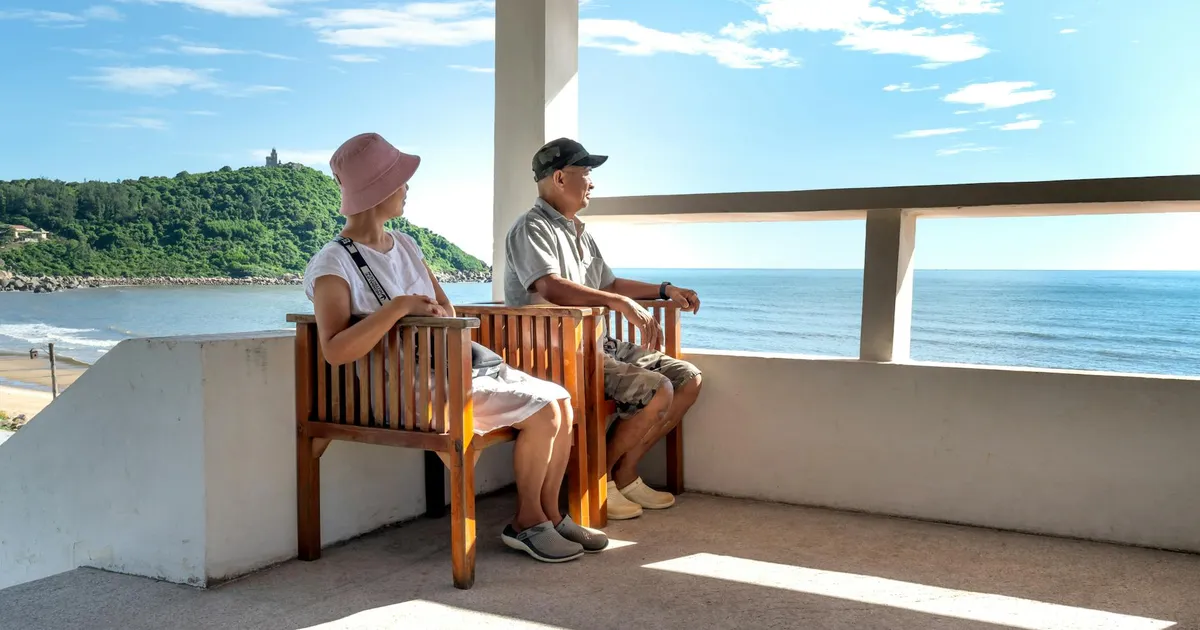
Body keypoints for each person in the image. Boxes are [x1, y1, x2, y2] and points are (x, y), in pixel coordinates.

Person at [304, 132, 607, 562]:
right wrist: (399, 308)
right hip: (404, 390)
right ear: (379, 188)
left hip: (450, 369)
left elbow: (443, 304)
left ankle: (550, 515)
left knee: (561, 399)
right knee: (543, 411)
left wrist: (429, 310)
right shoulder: (333, 262)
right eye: (401, 181)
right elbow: (334, 348)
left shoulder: (405, 245)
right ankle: (527, 522)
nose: (408, 189)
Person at [503, 137, 704, 521]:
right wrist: (616, 303)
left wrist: (664, 289)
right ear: (561, 178)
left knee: (686, 378)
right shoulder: (531, 228)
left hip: (596, 343)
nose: (592, 183)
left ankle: (623, 474)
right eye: (586, 173)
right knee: (656, 389)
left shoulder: (579, 231)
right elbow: (548, 286)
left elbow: (608, 286)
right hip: (553, 352)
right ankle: (594, 482)